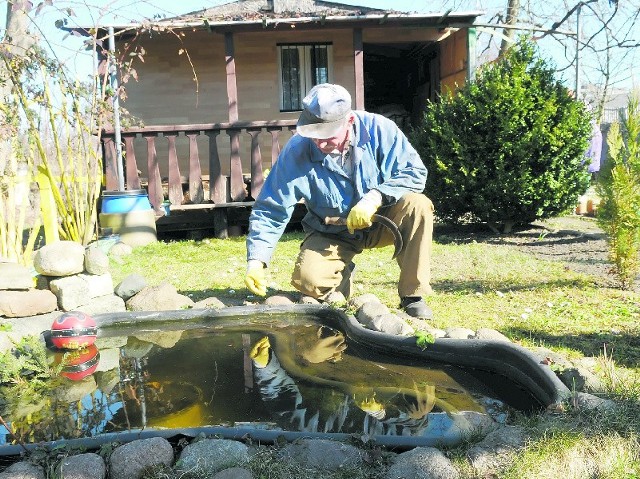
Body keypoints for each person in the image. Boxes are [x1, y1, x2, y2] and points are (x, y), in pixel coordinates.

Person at [244, 83, 434, 319]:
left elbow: (415, 172)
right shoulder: (296, 151)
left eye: (327, 136)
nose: (320, 144)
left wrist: (376, 196)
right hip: (332, 230)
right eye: (314, 136)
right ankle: (341, 275)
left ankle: (412, 295)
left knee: (418, 205)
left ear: (350, 122)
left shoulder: (381, 130)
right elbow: (271, 208)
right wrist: (257, 259)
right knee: (309, 282)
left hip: (384, 221)